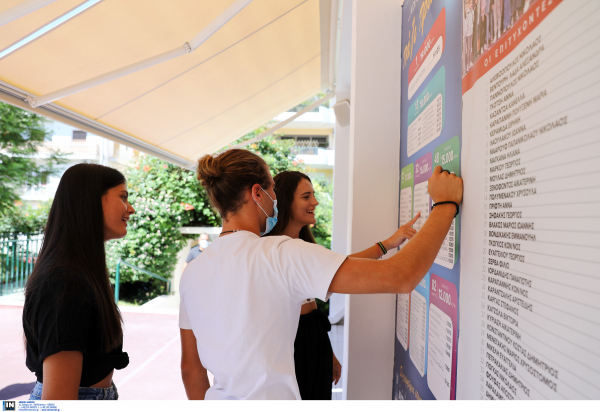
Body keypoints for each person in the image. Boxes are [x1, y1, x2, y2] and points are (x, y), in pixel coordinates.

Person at [179, 149, 462, 400]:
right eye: (272, 189)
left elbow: (191, 370)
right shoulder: (280, 253)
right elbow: (400, 276)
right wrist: (445, 204)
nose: (275, 199)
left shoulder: (193, 272)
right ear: (257, 193)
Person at [265, 171, 421, 399]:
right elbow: (390, 276)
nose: (315, 202)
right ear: (286, 201)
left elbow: (341, 267)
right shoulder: (272, 250)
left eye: (313, 195)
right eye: (306, 196)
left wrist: (326, 350)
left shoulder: (301, 246)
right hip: (294, 348)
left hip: (314, 340)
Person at [23, 164, 135, 400]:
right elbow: (58, 400)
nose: (131, 209)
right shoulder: (64, 283)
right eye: (123, 197)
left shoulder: (78, 273)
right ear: (91, 200)